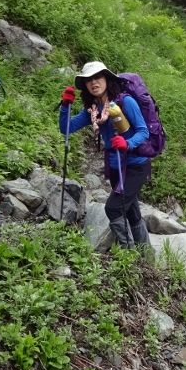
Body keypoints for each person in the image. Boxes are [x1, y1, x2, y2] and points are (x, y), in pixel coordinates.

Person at [59, 61, 151, 252]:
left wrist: (128, 143)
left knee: (113, 208)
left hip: (135, 165)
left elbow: (143, 131)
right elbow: (66, 128)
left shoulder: (126, 102)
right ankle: (145, 255)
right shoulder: (93, 111)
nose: (94, 83)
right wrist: (65, 105)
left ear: (107, 79)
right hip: (116, 165)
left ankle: (129, 255)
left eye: (97, 77)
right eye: (88, 80)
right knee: (131, 211)